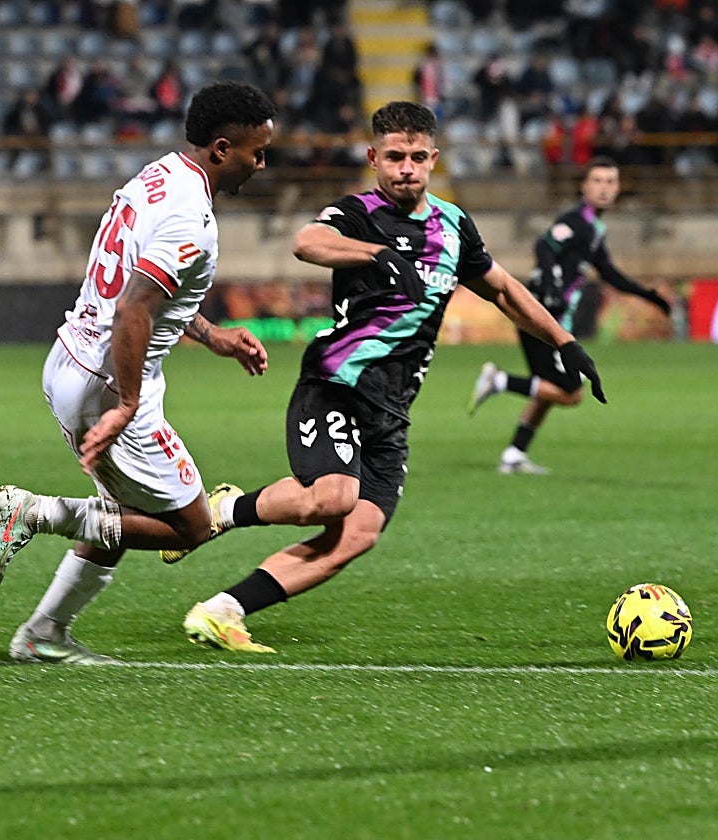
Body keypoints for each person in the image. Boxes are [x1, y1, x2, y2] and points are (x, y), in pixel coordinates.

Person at [167, 100, 606, 654]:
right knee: (330, 499)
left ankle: (221, 612)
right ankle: (223, 511)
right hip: (335, 385)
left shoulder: (453, 226)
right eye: (395, 156)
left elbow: (502, 289)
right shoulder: (357, 214)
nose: (406, 168)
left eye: (418, 157)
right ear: (374, 157)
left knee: (357, 533)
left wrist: (565, 343)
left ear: (433, 159)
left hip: (392, 408)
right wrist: (375, 254)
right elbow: (307, 242)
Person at [0, 81, 277, 665]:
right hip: (109, 381)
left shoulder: (159, 175)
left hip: (73, 359)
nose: (260, 164)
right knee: (190, 527)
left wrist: (212, 336)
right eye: (255, 151)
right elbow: (135, 306)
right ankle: (33, 512)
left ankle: (44, 635)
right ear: (221, 148)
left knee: (121, 516)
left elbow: (154, 294)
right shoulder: (191, 217)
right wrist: (125, 403)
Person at [467, 156, 670, 475]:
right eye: (598, 181)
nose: (605, 188)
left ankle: (514, 454)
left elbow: (609, 273)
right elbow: (545, 245)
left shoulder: (593, 229)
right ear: (584, 186)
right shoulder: (576, 221)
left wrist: (648, 296)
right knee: (571, 393)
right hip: (540, 313)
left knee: (550, 389)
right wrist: (550, 283)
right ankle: (499, 380)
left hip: (551, 313)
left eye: (611, 182)